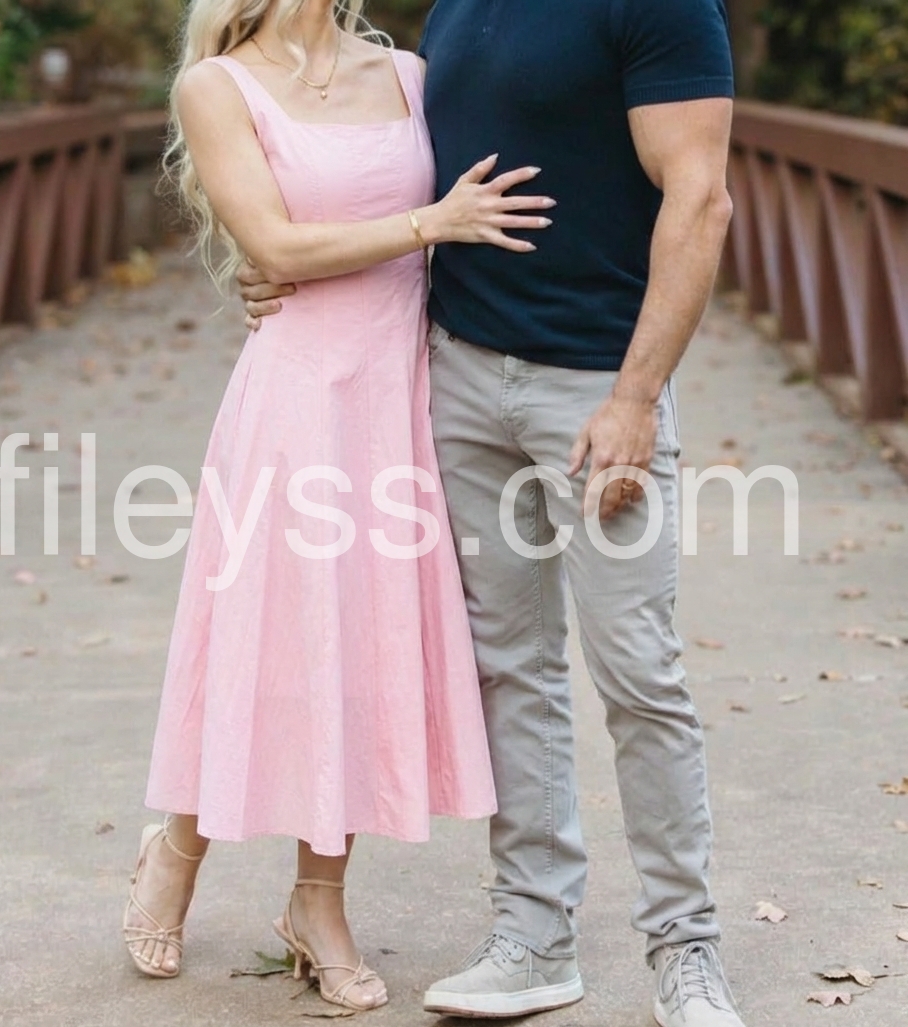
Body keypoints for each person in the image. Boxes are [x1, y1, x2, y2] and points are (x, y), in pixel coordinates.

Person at [240, 1, 744, 1024]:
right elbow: (394, 176)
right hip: (460, 375)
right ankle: (534, 936)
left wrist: (636, 397)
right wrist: (280, 259)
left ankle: (686, 950)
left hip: (595, 388)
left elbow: (700, 201)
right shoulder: (456, 8)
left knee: (639, 672)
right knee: (511, 667)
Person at [121, 0, 556, 1014]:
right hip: (295, 400)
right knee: (262, 638)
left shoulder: (408, 73)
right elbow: (274, 245)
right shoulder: (215, 85)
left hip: (400, 394)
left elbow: (496, 194)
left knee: (357, 646)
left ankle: (317, 905)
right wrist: (426, 223)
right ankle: (176, 850)